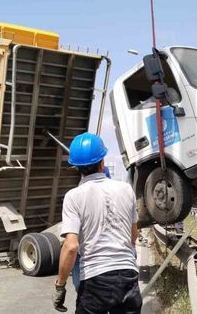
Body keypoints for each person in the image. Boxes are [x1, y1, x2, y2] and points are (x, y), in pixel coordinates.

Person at [53, 133, 141, 313]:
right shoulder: (126, 190)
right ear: (102, 162)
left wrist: (60, 286)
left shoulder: (74, 197)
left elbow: (71, 247)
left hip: (95, 280)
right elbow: (133, 235)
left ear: (76, 167)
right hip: (128, 277)